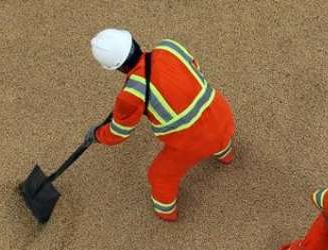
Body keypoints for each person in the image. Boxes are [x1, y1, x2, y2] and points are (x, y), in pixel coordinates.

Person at [87, 28, 236, 222]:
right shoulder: (169, 47)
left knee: (159, 176)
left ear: (116, 68)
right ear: (134, 41)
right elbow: (194, 69)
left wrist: (97, 135)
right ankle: (227, 156)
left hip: (192, 143)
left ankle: (166, 214)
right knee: (218, 135)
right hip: (221, 113)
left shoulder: (130, 95)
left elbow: (118, 133)